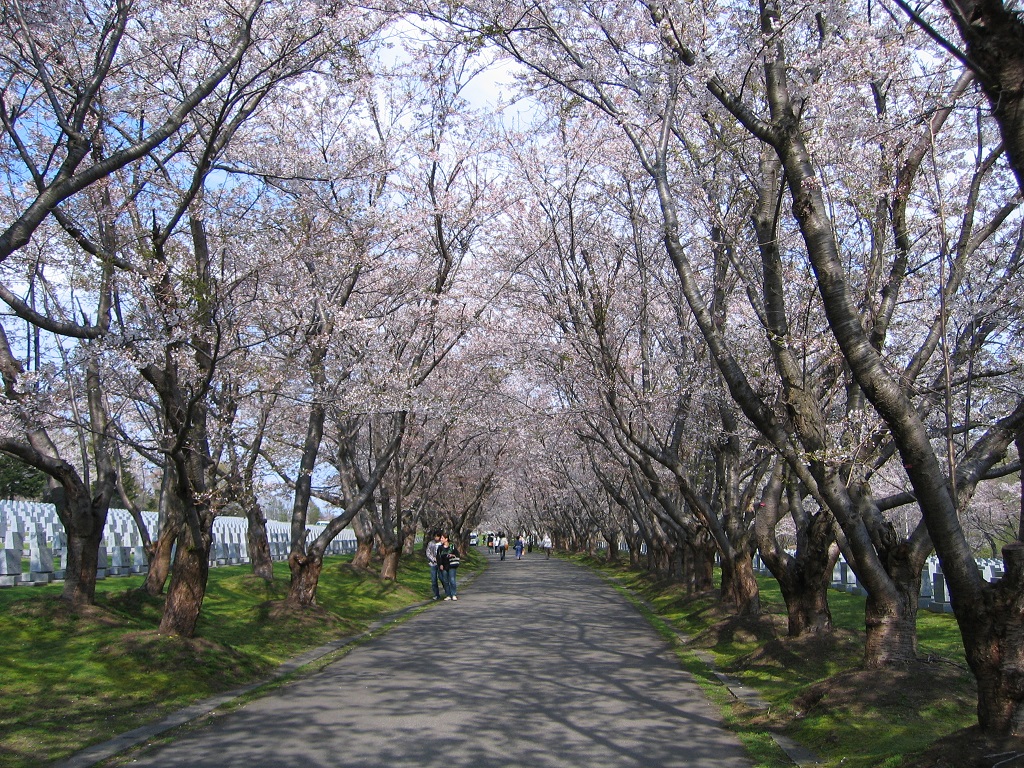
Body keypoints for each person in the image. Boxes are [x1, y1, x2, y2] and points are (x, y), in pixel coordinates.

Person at [436, 533, 459, 601]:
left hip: (451, 565)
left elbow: (457, 554)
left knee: (452, 580)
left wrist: (452, 555)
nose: (441, 539)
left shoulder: (452, 546)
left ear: (446, 539)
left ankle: (453, 594)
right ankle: (448, 594)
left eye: (442, 538)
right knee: (445, 581)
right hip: (444, 566)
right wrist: (440, 564)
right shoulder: (440, 548)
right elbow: (438, 557)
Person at [426, 529, 443, 600]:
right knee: (433, 580)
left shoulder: (442, 543)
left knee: (442, 578)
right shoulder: (431, 543)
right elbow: (428, 552)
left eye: (437, 536)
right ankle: (436, 594)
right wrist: (433, 559)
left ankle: (448, 592)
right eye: (435, 536)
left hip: (441, 564)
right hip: (433, 564)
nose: (435, 538)